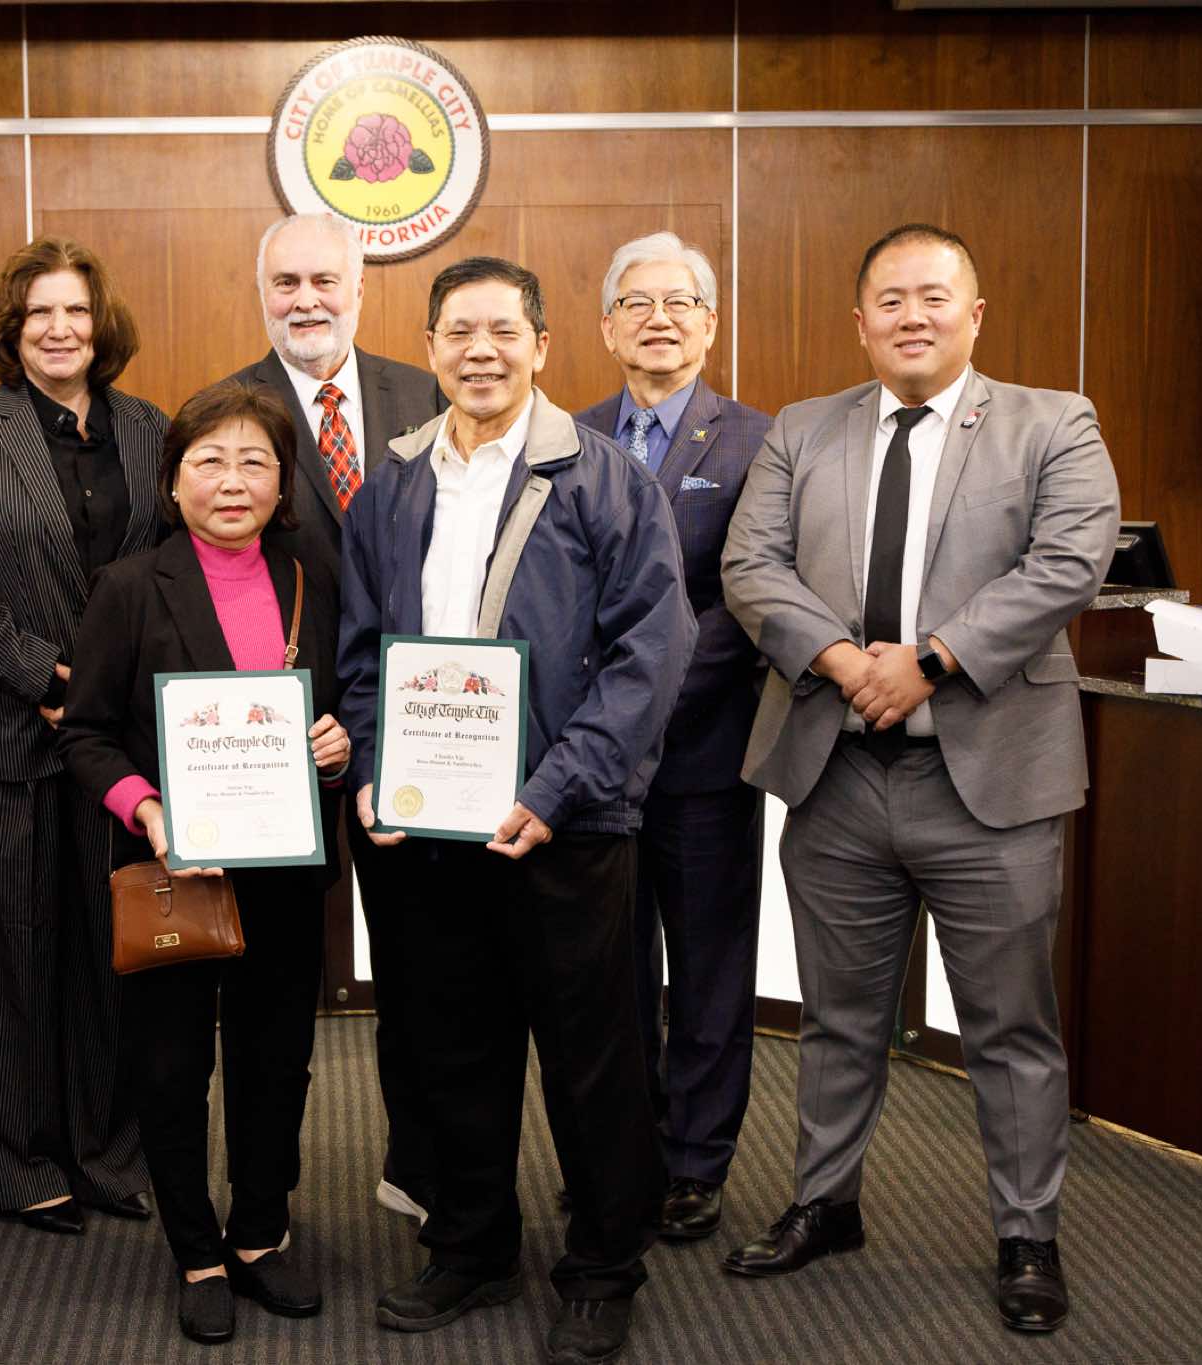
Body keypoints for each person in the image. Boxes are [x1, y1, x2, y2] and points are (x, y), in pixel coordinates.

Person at [718, 224, 1120, 1334]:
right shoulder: (804, 429)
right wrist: (847, 664)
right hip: (837, 772)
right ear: (860, 322)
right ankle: (825, 1202)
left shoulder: (1053, 423)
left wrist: (930, 661)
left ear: (973, 314)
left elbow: (1067, 563)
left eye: (933, 296)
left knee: (1008, 1025)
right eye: (889, 299)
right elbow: (749, 565)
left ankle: (1026, 1234)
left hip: (987, 781)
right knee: (836, 1015)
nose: (911, 315)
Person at [339, 256, 695, 1365]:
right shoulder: (392, 483)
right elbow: (362, 653)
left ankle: (602, 1267)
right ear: (430, 348)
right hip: (430, 834)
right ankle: (472, 1243)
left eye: (502, 330)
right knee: (450, 1047)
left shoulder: (603, 480)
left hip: (563, 827)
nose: (479, 351)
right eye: (458, 332)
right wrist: (372, 769)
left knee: (593, 1059)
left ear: (542, 346)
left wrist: (556, 790)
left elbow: (650, 653)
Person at [59, 380, 351, 1346]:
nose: (233, 481)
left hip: (286, 872)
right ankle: (197, 1250)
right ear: (174, 481)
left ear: (283, 482)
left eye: (254, 462)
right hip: (173, 873)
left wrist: (337, 745)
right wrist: (144, 808)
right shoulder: (130, 586)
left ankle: (260, 1232)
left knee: (277, 1060)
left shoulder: (311, 576)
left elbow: (340, 700)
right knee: (171, 1064)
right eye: (210, 461)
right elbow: (86, 734)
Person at [0, 238, 164, 1237]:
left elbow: (167, 574)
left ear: (102, 325)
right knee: (5, 962)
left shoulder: (149, 429)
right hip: (3, 733)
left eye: (75, 311)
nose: (60, 329)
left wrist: (102, 693)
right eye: (39, 314)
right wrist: (48, 677)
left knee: (111, 956)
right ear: (11, 330)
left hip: (115, 743)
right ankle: (15, 1165)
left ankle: (106, 1153)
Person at [227, 211, 444, 1226]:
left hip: (414, 737)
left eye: (324, 280)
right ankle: (262, 1199)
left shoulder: (430, 394)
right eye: (286, 283)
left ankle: (420, 1164)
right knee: (272, 987)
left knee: (422, 967)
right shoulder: (227, 412)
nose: (305, 300)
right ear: (261, 293)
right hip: (279, 750)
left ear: (360, 288)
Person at [572, 232, 773, 1243]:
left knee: (706, 972)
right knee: (608, 973)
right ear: (608, 327)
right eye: (637, 303)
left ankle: (695, 1162)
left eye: (680, 301)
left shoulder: (759, 443)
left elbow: (752, 596)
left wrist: (643, 694)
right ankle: (625, 1154)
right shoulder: (564, 437)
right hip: (590, 768)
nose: (659, 318)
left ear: (709, 323)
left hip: (702, 754)